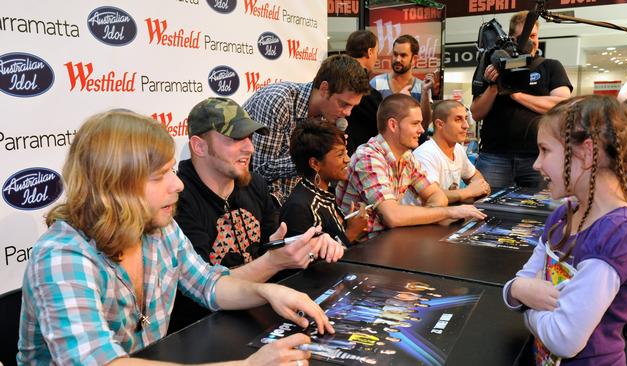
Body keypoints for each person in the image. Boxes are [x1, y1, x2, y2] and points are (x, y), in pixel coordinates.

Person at [17, 110, 333, 365]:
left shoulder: (159, 225)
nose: (178, 185)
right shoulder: (62, 257)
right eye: (160, 176)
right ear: (114, 186)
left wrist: (267, 293)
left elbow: (209, 284)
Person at [171, 98, 345, 331]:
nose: (250, 148)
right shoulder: (176, 200)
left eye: (250, 138)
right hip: (202, 331)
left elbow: (268, 250)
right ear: (199, 146)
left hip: (259, 318)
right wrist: (273, 262)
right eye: (235, 139)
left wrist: (308, 246)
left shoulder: (255, 185)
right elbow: (203, 291)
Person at [503, 95, 627, 364]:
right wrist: (518, 290)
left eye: (545, 150)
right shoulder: (563, 214)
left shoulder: (618, 234)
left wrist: (525, 300)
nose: (536, 164)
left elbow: (564, 337)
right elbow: (517, 282)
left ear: (586, 152)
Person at [336, 94, 487, 239]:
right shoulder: (368, 157)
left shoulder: (407, 156)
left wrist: (433, 212)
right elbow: (393, 216)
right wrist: (448, 212)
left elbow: (437, 196)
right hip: (358, 249)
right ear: (393, 125)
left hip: (388, 240)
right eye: (415, 123)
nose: (422, 130)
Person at [243, 54, 370, 205]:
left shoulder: (328, 116)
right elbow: (261, 170)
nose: (348, 113)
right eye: (343, 104)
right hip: (255, 201)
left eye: (352, 107)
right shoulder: (278, 101)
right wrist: (315, 156)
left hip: (295, 203)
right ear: (324, 89)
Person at [471, 10, 572, 188]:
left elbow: (562, 105)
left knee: (537, 212)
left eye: (533, 35)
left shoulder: (550, 66)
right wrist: (494, 87)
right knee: (487, 211)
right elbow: (476, 113)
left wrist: (514, 94)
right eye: (522, 37)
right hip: (494, 156)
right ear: (511, 38)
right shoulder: (493, 65)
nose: (530, 42)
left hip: (538, 155)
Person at [281, 120, 369, 247]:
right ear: (315, 164)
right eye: (340, 154)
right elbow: (306, 261)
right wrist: (351, 232)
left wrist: (350, 224)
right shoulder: (298, 208)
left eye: (346, 152)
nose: (348, 159)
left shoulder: (326, 193)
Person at [407, 100, 491, 204]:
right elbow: (432, 195)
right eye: (458, 120)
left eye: (466, 118)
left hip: (448, 215)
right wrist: (469, 192)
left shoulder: (458, 149)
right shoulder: (425, 153)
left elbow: (474, 175)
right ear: (440, 124)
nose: (466, 125)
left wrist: (480, 186)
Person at [370, 34, 434, 134]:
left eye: (403, 55)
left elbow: (424, 124)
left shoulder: (422, 87)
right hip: (383, 146)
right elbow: (371, 121)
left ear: (414, 59)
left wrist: (425, 93)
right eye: (395, 54)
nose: (397, 59)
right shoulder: (376, 83)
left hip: (413, 147)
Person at [344, 30, 383, 155]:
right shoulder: (367, 92)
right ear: (370, 52)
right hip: (357, 154)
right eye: (377, 52)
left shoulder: (335, 78)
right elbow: (381, 123)